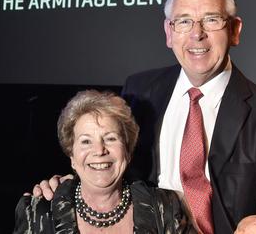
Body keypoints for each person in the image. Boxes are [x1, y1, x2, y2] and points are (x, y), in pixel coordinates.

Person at [33, 0, 256, 234]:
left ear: (234, 30)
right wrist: (71, 187)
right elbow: (111, 166)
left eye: (211, 20)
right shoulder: (139, 93)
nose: (197, 35)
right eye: (184, 21)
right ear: (168, 32)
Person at [13, 90, 195, 233]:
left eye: (110, 138)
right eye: (86, 141)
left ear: (128, 151)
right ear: (72, 157)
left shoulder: (165, 207)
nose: (99, 150)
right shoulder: (37, 211)